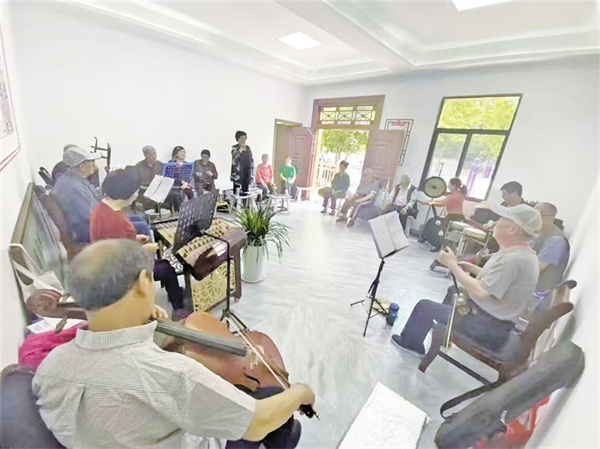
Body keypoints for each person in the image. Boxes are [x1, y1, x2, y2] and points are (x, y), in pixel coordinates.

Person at [33, 240, 314, 449]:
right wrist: (301, 391)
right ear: (144, 284)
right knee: (273, 396)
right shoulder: (172, 375)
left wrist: (139, 319)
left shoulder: (49, 367)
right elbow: (257, 422)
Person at [392, 203, 541, 355]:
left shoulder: (514, 260)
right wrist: (471, 268)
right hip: (491, 321)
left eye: (502, 219)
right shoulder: (520, 254)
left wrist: (451, 265)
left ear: (513, 229)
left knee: (425, 307)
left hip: (488, 328)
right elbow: (499, 280)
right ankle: (444, 327)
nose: (496, 223)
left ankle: (411, 345)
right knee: (453, 290)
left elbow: (480, 292)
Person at [89, 169, 186, 319]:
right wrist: (149, 249)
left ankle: (177, 294)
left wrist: (133, 238)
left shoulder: (100, 208)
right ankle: (179, 308)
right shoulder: (118, 222)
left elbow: (113, 239)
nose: (136, 195)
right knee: (167, 268)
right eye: (135, 191)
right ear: (125, 193)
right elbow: (129, 260)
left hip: (104, 262)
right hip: (121, 273)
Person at [51, 146, 102, 244]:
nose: (94, 164)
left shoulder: (74, 179)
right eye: (91, 161)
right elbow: (92, 215)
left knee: (129, 220)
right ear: (82, 166)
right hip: (84, 230)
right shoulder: (73, 187)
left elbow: (94, 196)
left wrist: (109, 187)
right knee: (132, 224)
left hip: (86, 225)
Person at [530, 202, 570, 310]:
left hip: (536, 298)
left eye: (538, 215)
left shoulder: (556, 241)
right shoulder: (538, 234)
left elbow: (534, 270)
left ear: (551, 218)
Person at [135, 145, 164, 210]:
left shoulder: (160, 165)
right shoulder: (139, 166)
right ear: (146, 155)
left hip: (158, 189)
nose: (154, 156)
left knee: (173, 195)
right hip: (144, 190)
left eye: (155, 154)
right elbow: (135, 182)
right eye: (151, 154)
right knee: (148, 198)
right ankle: (150, 213)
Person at [166, 146, 194, 211]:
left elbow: (189, 176)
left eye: (184, 152)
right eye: (181, 152)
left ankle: (191, 210)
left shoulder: (187, 164)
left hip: (185, 184)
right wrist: (181, 182)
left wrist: (186, 183)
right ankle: (177, 212)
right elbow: (170, 176)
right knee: (176, 195)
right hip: (174, 185)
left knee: (190, 192)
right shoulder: (171, 163)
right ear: (176, 154)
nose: (183, 154)